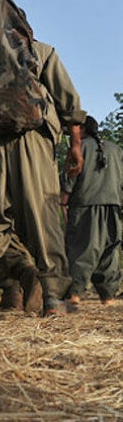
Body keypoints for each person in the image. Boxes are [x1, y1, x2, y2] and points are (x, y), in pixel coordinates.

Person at [0, 33, 87, 324]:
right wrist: (75, 144)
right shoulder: (40, 51)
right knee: (43, 219)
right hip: (32, 139)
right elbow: (68, 101)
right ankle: (53, 297)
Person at [61, 116, 123, 306]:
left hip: (85, 206)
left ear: (81, 130)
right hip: (113, 206)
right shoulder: (116, 149)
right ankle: (108, 296)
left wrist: (63, 206)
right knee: (109, 251)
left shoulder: (79, 149)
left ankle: (74, 294)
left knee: (81, 249)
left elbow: (67, 188)